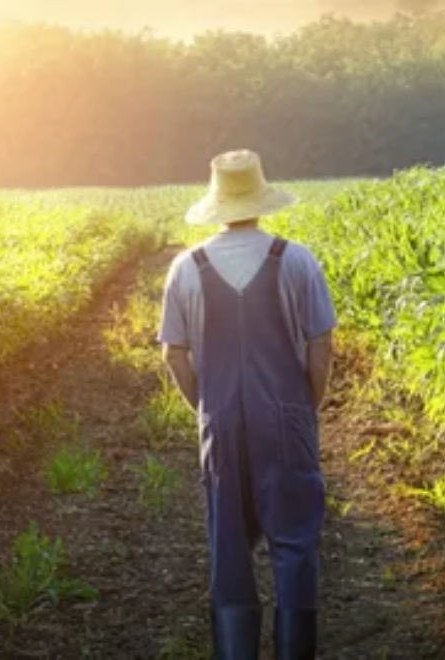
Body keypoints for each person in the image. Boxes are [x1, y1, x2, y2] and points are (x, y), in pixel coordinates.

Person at [158, 149, 336, 659]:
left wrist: (206, 408)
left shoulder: (186, 268)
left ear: (216, 201)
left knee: (229, 551)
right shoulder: (296, 259)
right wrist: (307, 405)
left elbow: (175, 353)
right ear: (261, 197)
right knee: (296, 543)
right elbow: (321, 344)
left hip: (219, 423)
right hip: (287, 418)